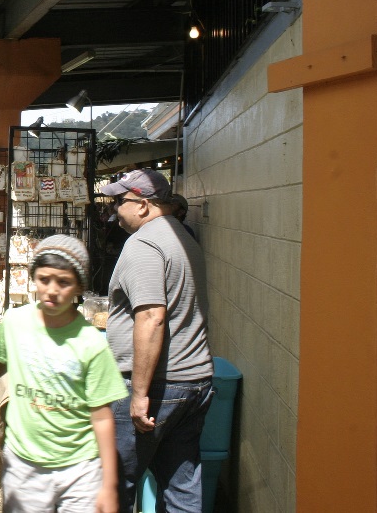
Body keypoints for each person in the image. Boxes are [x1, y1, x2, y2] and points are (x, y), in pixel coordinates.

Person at [0, 234, 127, 513]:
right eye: (44, 280)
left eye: (64, 282)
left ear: (79, 286)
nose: (52, 291)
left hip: (80, 469)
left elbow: (102, 416)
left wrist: (108, 483)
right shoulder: (15, 322)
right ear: (34, 278)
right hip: (24, 465)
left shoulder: (91, 343)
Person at [99, 169, 214, 512]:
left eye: (120, 201)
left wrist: (138, 393)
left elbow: (152, 317)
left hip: (158, 388)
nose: (115, 209)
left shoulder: (145, 243)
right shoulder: (182, 237)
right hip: (194, 382)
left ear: (144, 205)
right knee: (182, 486)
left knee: (114, 485)